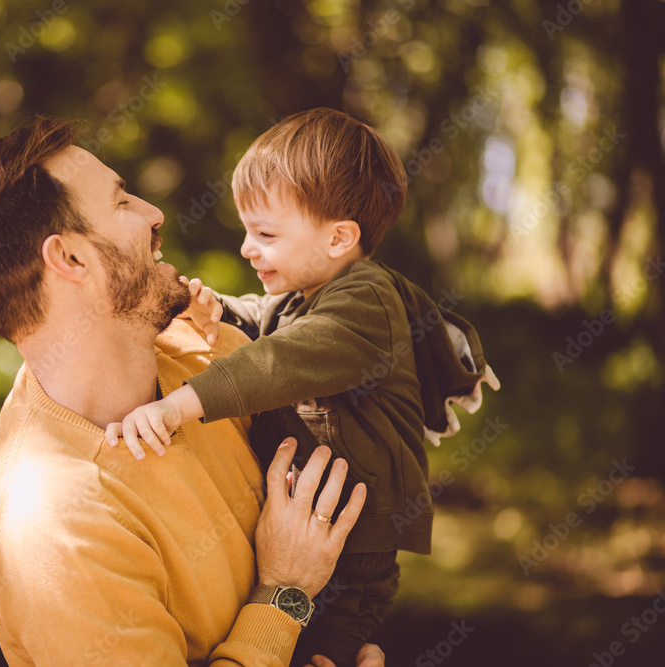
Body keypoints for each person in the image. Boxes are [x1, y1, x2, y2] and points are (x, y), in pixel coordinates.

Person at [0, 116, 385, 666]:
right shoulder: (52, 525)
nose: (154, 213)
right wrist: (285, 592)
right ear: (71, 259)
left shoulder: (210, 351)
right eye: (122, 203)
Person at [106, 108, 500, 667]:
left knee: (318, 655)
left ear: (340, 237)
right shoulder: (304, 296)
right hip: (313, 530)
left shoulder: (367, 303)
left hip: (351, 548)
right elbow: (263, 321)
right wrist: (216, 311)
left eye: (266, 234)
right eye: (248, 230)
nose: (247, 247)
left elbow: (280, 359)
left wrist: (180, 406)